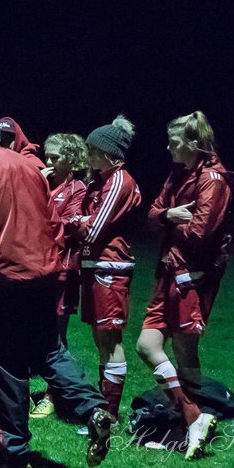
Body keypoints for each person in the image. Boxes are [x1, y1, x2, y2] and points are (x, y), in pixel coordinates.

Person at [0, 111, 115, 468]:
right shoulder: (30, 167)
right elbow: (52, 222)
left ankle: (15, 454)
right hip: (42, 278)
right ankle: (93, 409)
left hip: (1, 281)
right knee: (50, 352)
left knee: (5, 368)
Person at [135, 110, 234, 460]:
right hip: (169, 271)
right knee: (148, 345)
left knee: (184, 351)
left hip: (193, 278)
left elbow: (199, 234)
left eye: (174, 142)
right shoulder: (177, 174)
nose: (168, 148)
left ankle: (184, 426)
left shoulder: (214, 179)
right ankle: (193, 416)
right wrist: (168, 215)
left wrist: (171, 219)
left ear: (193, 143)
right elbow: (151, 214)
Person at [77, 116, 142, 420]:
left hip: (110, 268)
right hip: (94, 266)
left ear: (108, 152)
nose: (87, 156)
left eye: (92, 151)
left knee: (110, 338)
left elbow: (94, 228)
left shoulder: (119, 180)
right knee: (99, 338)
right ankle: (104, 410)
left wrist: (77, 226)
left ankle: (109, 413)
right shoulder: (98, 182)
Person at [28, 132, 90, 420]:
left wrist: (44, 222)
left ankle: (53, 396)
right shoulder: (42, 182)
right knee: (35, 329)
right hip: (37, 267)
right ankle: (39, 389)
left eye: (56, 158)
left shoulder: (77, 188)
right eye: (48, 156)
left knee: (56, 335)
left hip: (63, 270)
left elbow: (71, 223)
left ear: (72, 160)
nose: (49, 162)